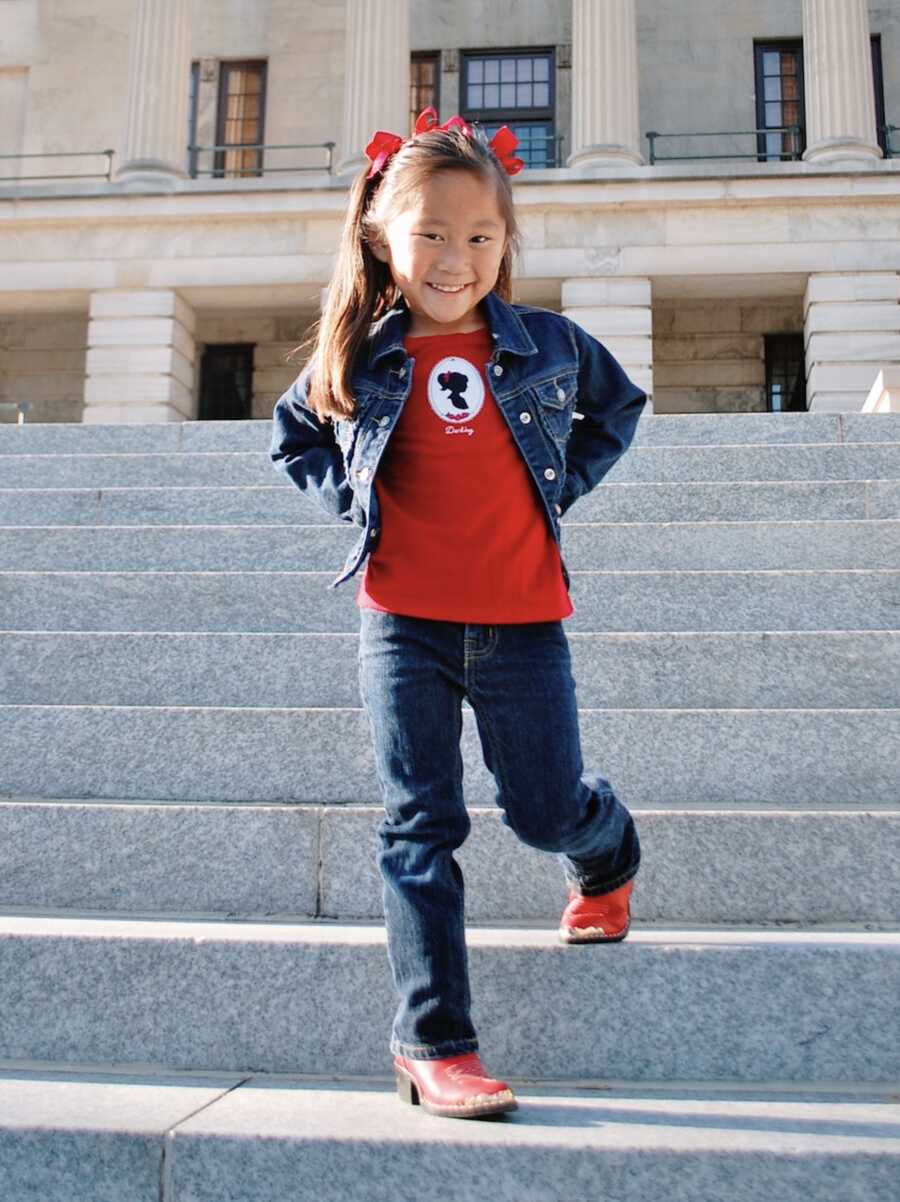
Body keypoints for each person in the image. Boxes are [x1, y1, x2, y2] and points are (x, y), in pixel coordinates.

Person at [270, 106, 647, 1120]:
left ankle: (603, 844)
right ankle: (434, 1040)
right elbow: (295, 431)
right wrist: (354, 503)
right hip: (404, 624)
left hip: (523, 619)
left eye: (480, 236)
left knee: (542, 806)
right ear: (384, 236)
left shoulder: (547, 345)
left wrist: (557, 486)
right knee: (418, 824)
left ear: (504, 245)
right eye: (432, 232)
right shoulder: (362, 354)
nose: (456, 256)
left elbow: (621, 405)